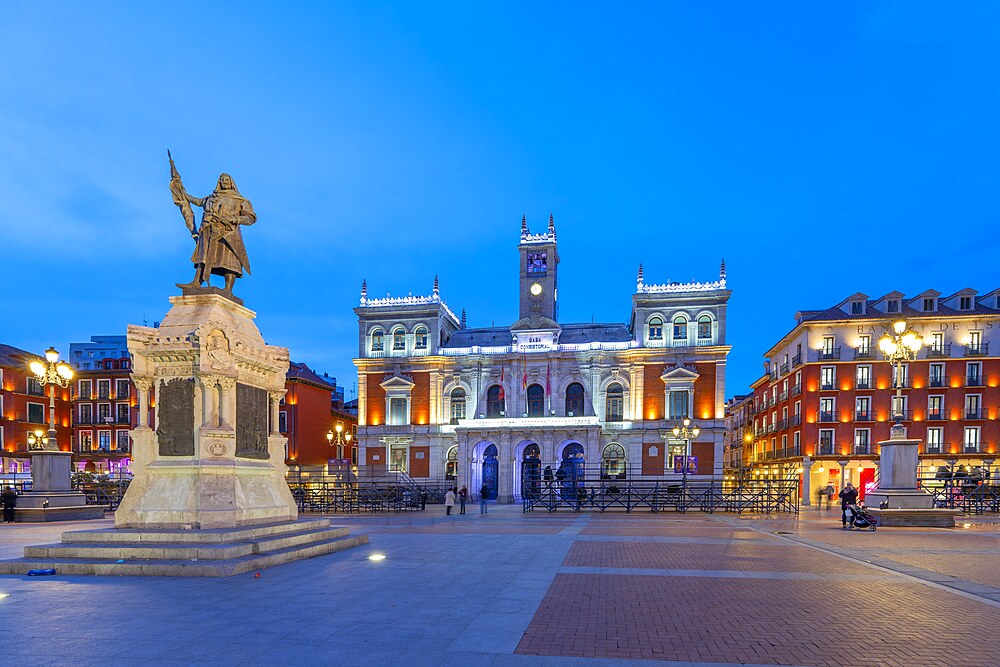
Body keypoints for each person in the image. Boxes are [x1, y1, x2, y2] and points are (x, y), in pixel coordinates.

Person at [173, 172, 257, 294]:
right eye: (222, 180)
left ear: (231, 182)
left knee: (229, 261)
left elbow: (250, 218)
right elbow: (197, 201)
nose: (224, 181)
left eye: (226, 179)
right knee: (203, 257)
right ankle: (196, 282)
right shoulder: (211, 198)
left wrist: (234, 219)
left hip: (228, 233)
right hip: (209, 230)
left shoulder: (240, 200)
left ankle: (228, 289)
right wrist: (182, 193)